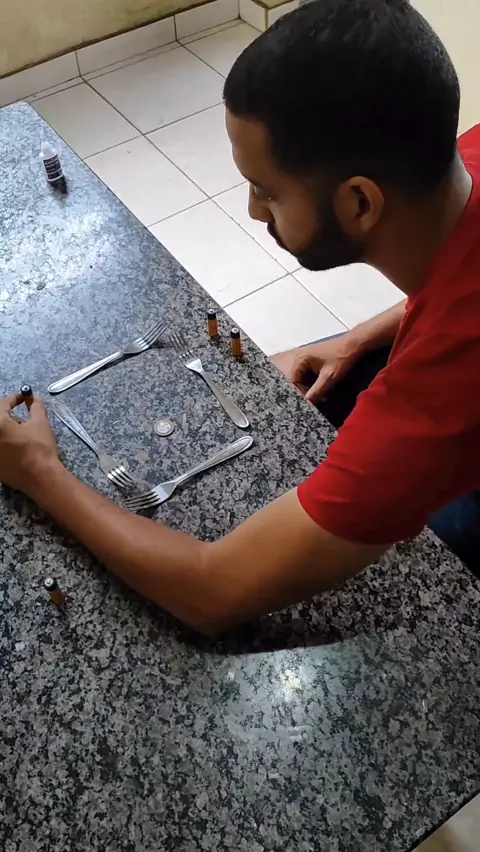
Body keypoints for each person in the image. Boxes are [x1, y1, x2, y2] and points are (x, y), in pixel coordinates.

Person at [1, 0, 480, 636]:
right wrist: (358, 338)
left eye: (268, 190)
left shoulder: (441, 389)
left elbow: (215, 589)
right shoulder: (462, 163)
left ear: (360, 203)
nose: (254, 210)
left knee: (433, 569)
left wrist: (37, 470)